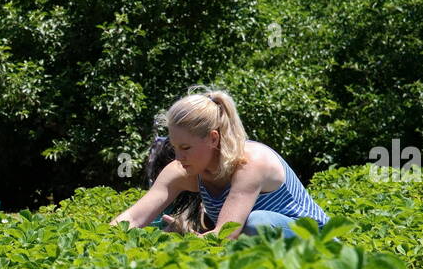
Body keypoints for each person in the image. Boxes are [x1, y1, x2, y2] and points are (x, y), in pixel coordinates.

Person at [110, 86, 327, 239]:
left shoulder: (250, 164)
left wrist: (185, 239)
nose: (178, 158)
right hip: (264, 252)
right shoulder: (183, 169)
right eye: (174, 147)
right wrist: (101, 239)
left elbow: (225, 235)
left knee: (257, 222)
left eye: (186, 148)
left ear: (213, 138)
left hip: (319, 244)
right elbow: (133, 217)